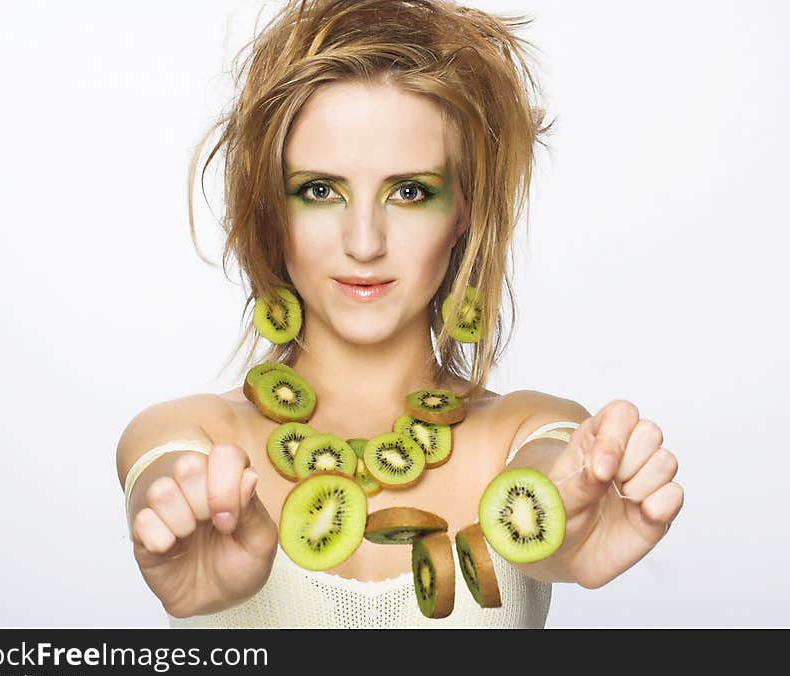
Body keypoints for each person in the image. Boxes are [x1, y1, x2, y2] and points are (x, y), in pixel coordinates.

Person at [115, 0, 684, 629]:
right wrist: (177, 513)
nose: (365, 242)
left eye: (409, 191)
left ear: (462, 212)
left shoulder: (526, 433)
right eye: (320, 190)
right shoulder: (192, 436)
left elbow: (556, 475)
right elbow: (164, 472)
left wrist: (568, 520)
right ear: (274, 215)